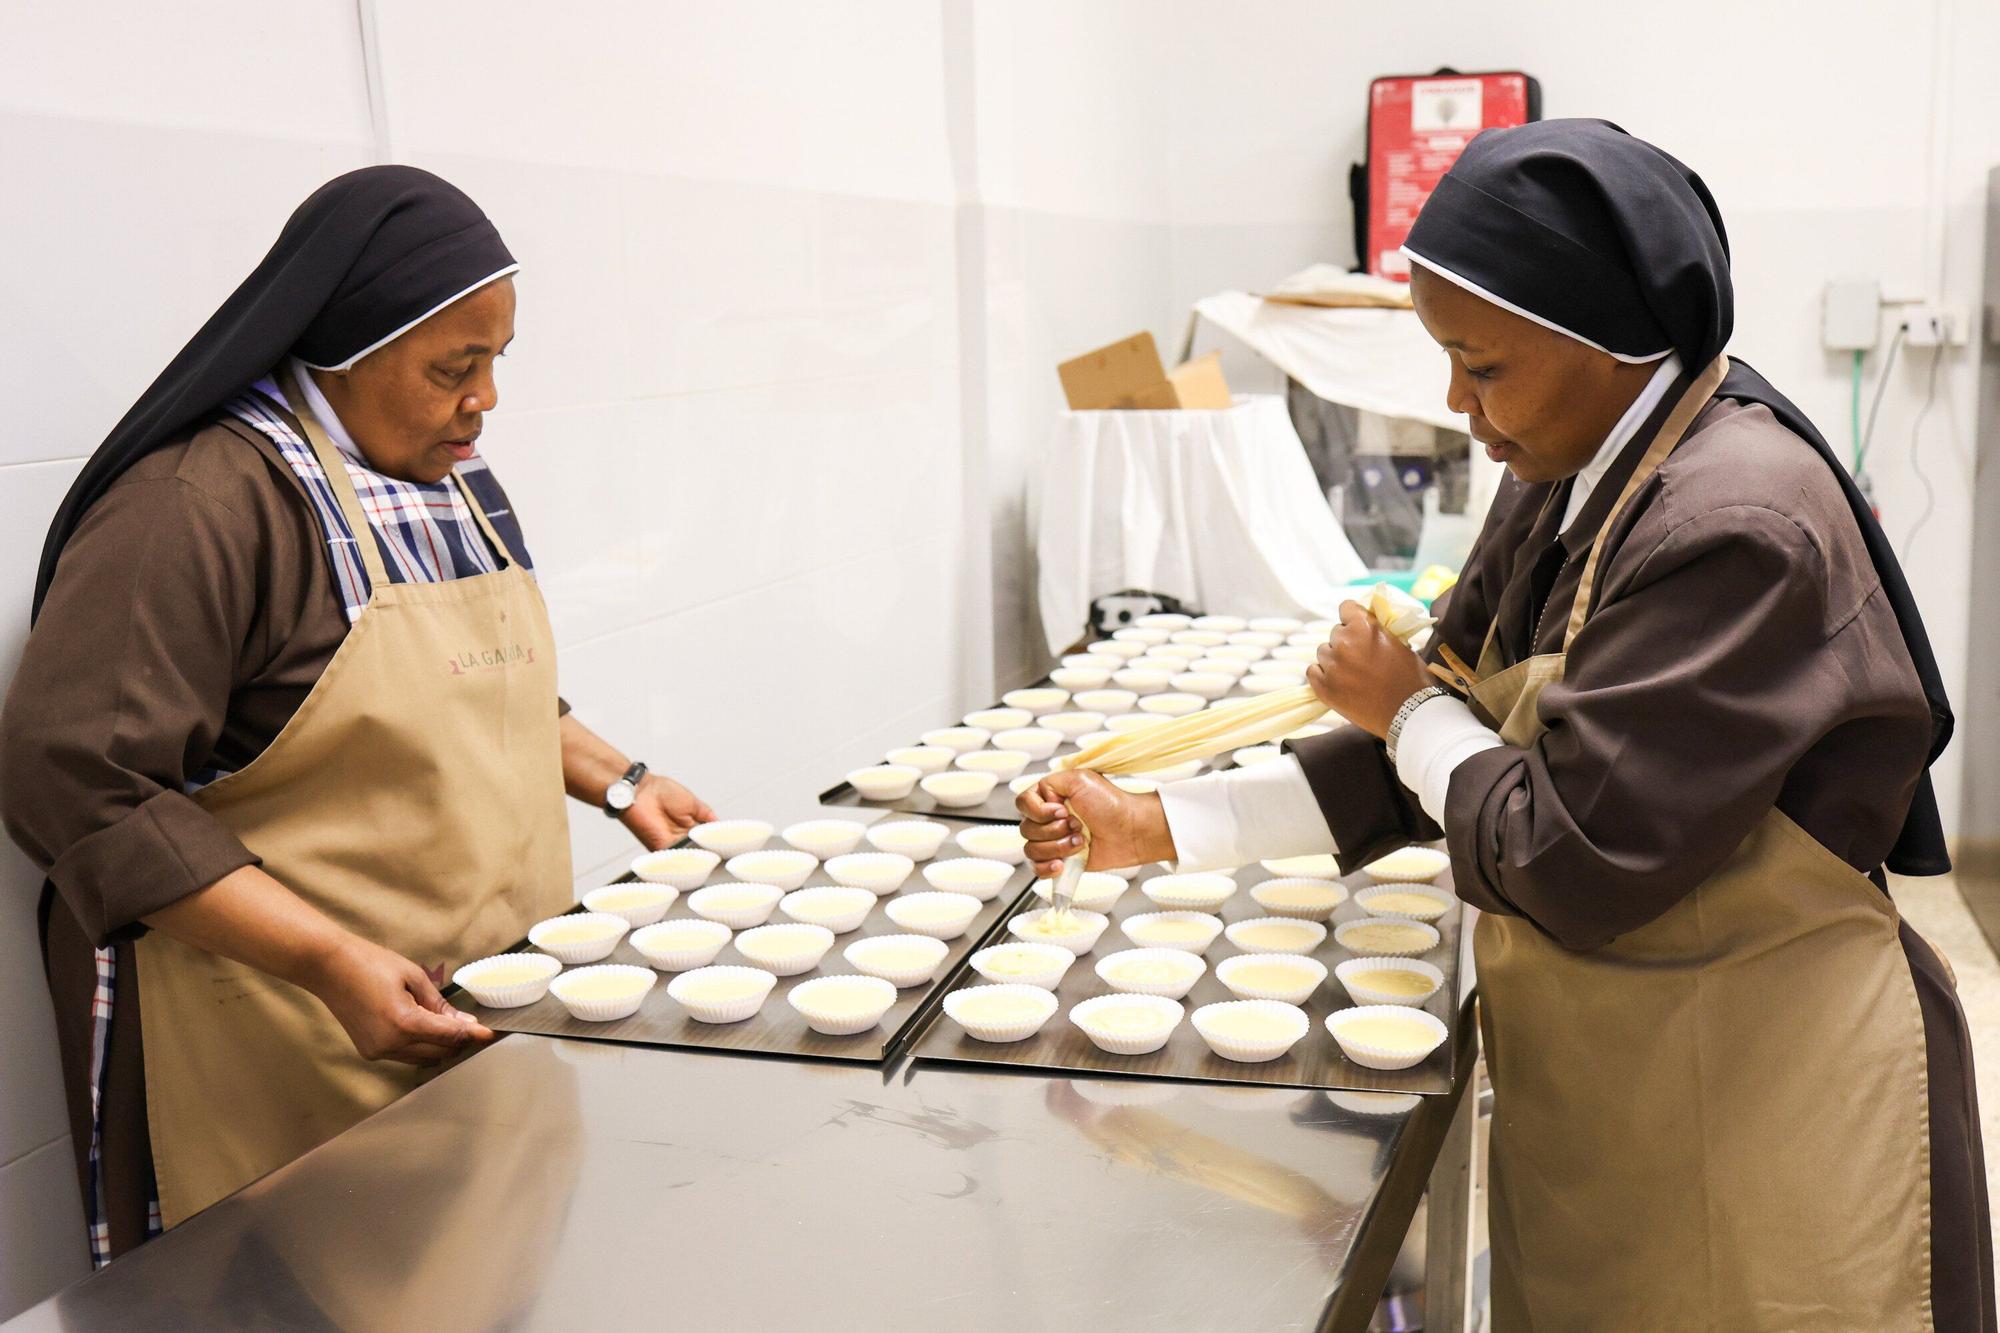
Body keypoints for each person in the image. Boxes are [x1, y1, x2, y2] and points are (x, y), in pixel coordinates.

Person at [1021, 120, 1994, 1331]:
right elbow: (1435, 750)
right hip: (1631, 1062)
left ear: (1609, 343)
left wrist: (1408, 703)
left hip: (1767, 1087)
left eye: (1478, 366)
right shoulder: (1564, 471)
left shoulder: (1735, 523)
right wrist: (1158, 822)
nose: (1456, 405)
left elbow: (1564, 849)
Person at [2, 166, 715, 1263]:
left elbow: (485, 694)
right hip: (291, 1039)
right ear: (343, 345)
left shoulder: (458, 486)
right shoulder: (198, 505)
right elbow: (72, 778)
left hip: (478, 1022)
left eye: (493, 363)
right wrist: (332, 960)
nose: (484, 400)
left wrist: (623, 781)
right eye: (452, 367)